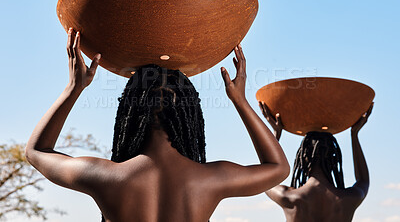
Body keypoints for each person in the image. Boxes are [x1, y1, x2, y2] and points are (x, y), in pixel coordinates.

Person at [26, 28, 290, 222]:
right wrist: (240, 101)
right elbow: (278, 168)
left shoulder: (106, 177)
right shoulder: (210, 179)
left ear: (129, 113)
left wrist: (73, 89)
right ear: (190, 116)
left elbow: (37, 152)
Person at [259, 101, 373, 222]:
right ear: (334, 159)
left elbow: (264, 179)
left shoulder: (290, 198)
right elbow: (363, 180)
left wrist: (276, 133)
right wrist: (354, 134)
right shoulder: (347, 199)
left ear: (303, 159)